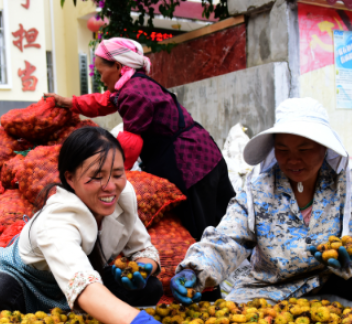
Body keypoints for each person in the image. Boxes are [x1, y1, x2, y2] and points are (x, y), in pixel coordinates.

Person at [0, 126, 196, 324]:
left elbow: (144, 250)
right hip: (31, 286)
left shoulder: (123, 195)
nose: (110, 186)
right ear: (70, 178)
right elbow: (82, 286)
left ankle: (106, 315)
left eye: (117, 174)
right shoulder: (57, 219)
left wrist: (142, 269)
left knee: (150, 288)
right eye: (96, 177)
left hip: (89, 279)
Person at [170, 98, 352, 311]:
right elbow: (229, 238)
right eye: (283, 150)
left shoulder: (348, 183)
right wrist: (195, 269)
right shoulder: (258, 189)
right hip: (272, 290)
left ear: (324, 148)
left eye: (304, 150)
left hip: (332, 279)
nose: (293, 159)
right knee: (238, 323)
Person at [45, 37, 234, 241]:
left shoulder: (134, 93)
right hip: (207, 155)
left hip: (190, 165)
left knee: (204, 231)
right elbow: (102, 102)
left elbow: (130, 144)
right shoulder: (134, 84)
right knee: (229, 220)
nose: (101, 79)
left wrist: (111, 179)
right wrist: (68, 102)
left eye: (101, 73)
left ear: (117, 66)